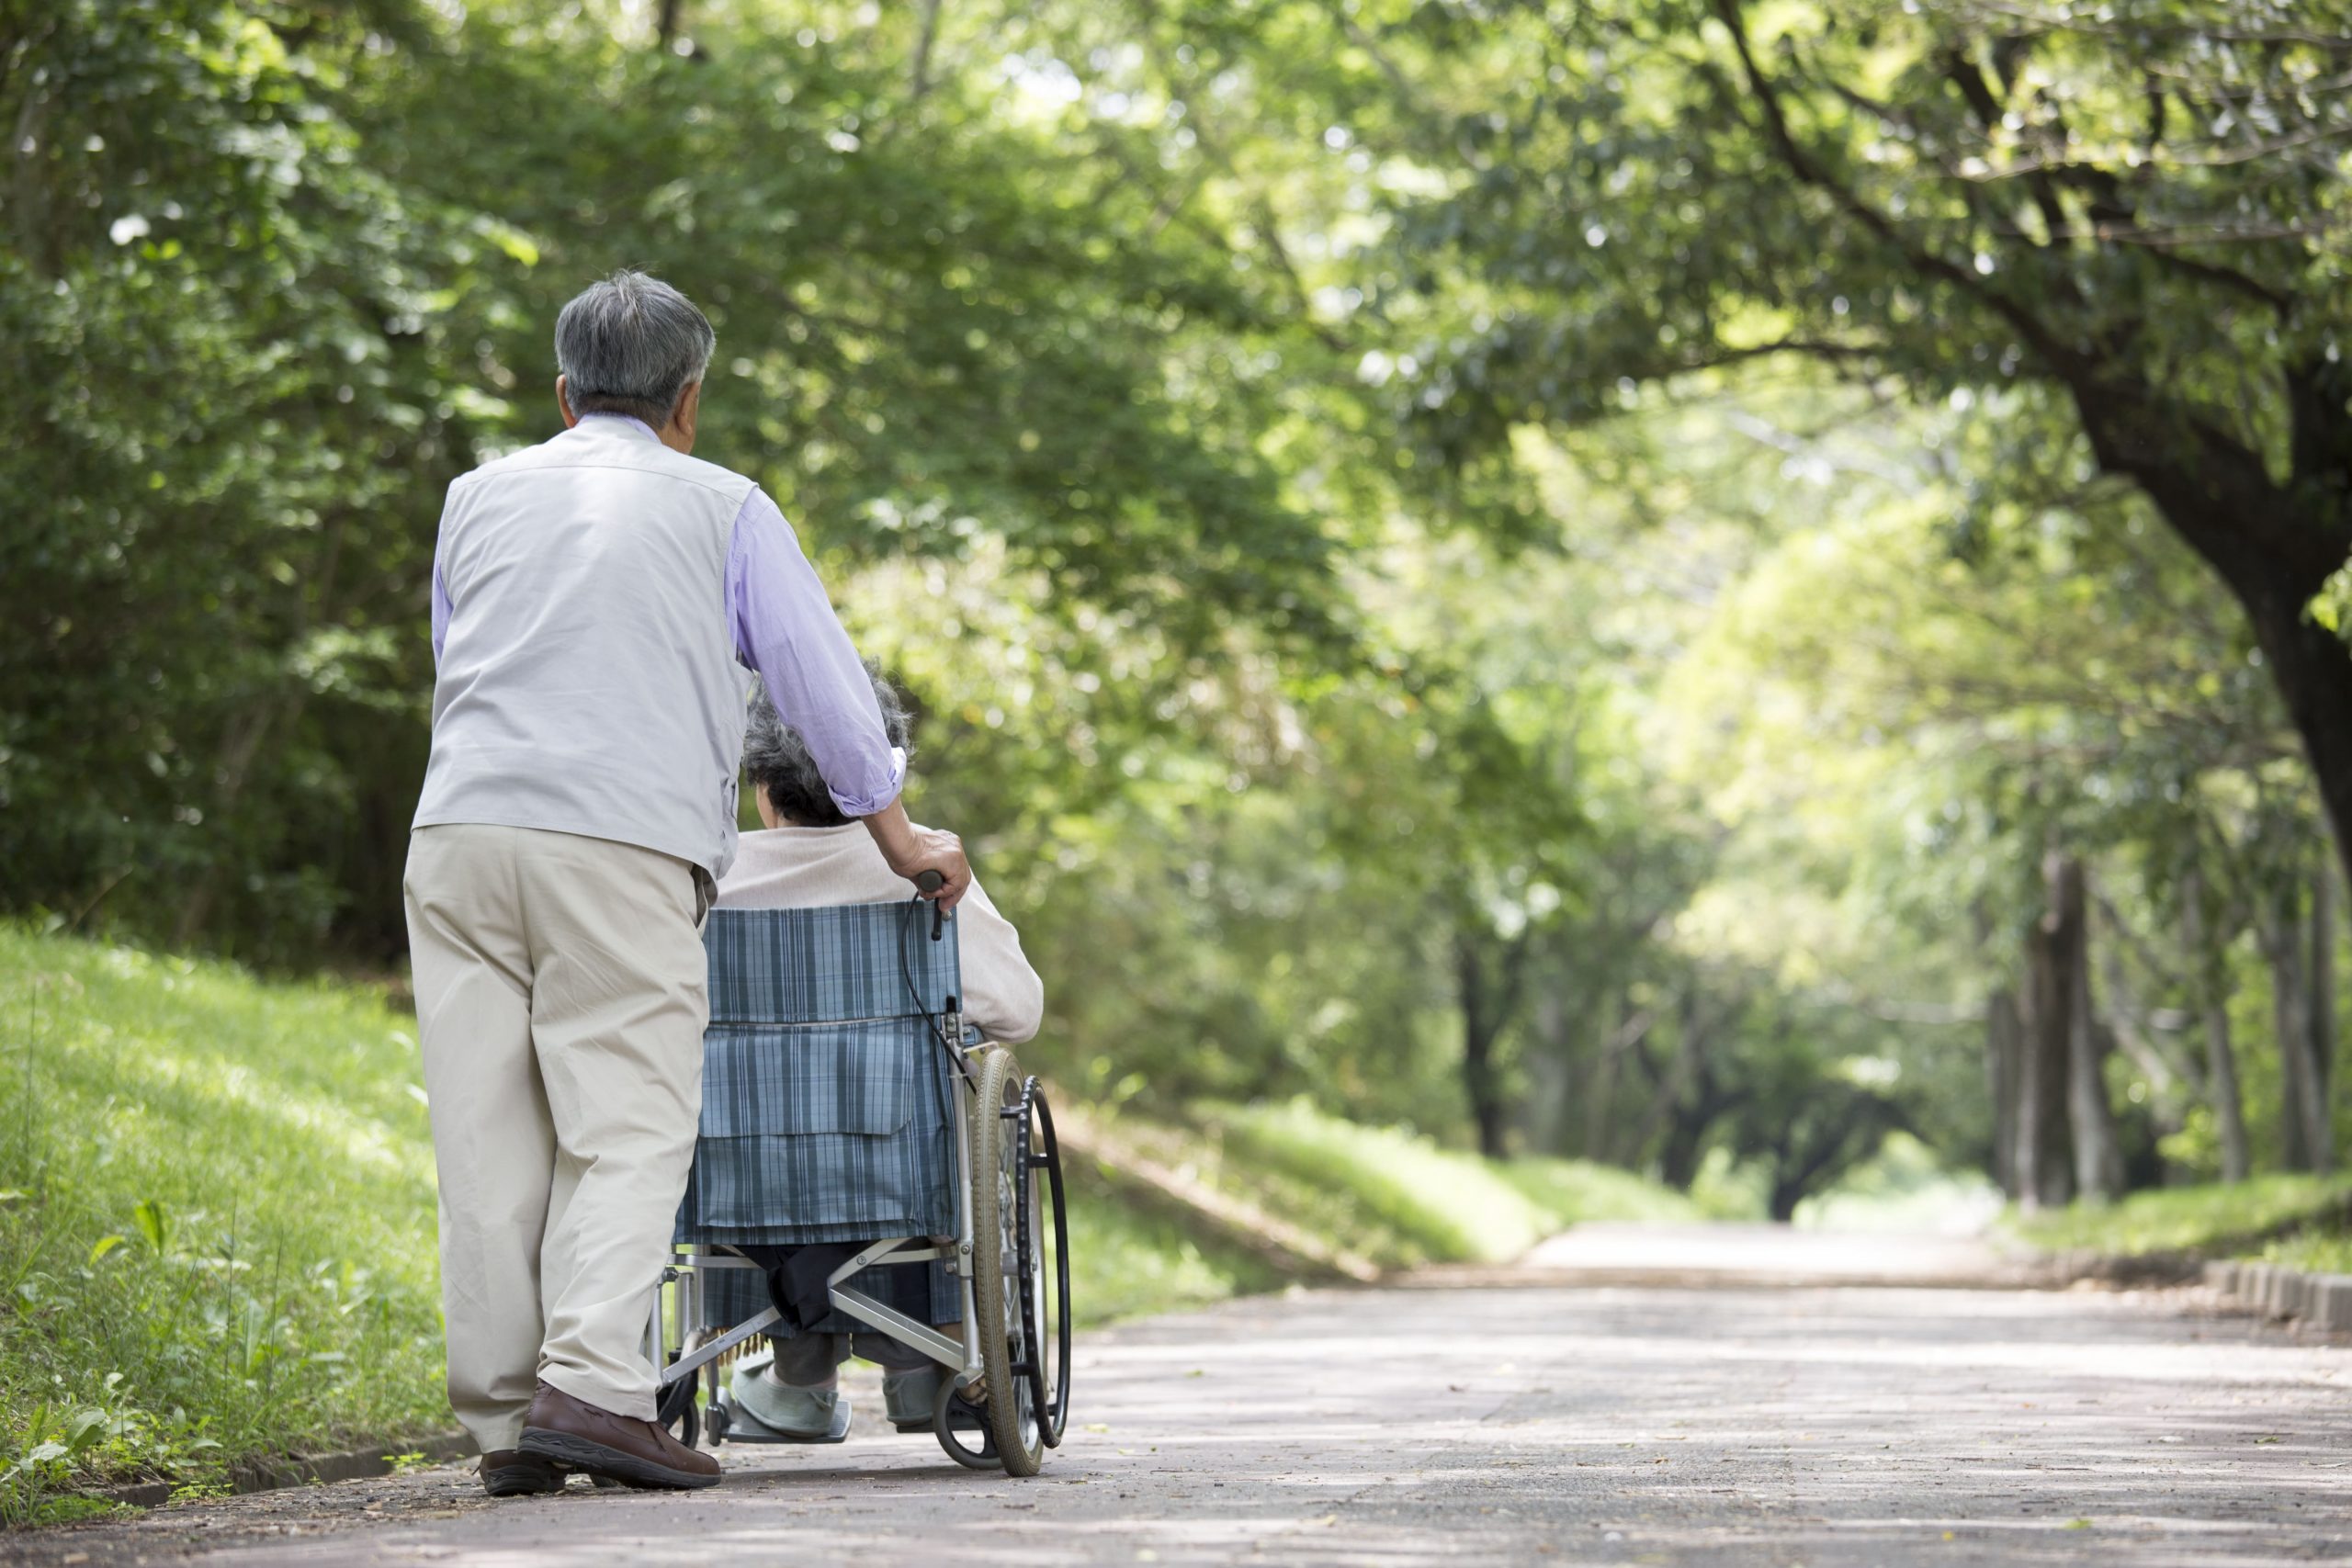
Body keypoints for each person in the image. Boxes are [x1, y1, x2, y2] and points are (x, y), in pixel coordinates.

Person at [403, 269, 970, 1497]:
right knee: (630, 1123)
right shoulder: (724, 506)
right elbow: (821, 693)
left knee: (486, 1132)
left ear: (563, 396)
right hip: (616, 838)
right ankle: (596, 1390)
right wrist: (899, 839)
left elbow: (461, 662)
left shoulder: (473, 497)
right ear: (689, 402)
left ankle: (506, 1425)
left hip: (456, 828)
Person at [713, 672, 1043, 1441]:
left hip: (742, 1185)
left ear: (761, 785)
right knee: (944, 1105)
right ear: (885, 773)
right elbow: (1018, 1009)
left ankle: (797, 1375)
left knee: (771, 1136)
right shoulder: (924, 872)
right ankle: (921, 1358)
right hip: (900, 1182)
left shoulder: (714, 876)